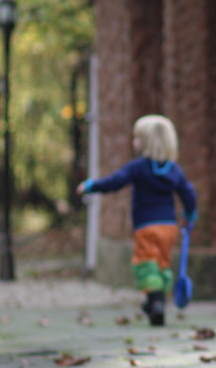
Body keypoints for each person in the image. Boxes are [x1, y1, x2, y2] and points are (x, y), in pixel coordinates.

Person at [76, 115, 197, 326]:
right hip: (169, 227)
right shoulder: (174, 170)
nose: (134, 142)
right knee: (161, 264)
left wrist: (91, 186)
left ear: (146, 142)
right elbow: (188, 194)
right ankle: (155, 301)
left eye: (137, 138)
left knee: (145, 265)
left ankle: (156, 302)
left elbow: (115, 182)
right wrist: (189, 215)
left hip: (146, 226)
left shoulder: (138, 167)